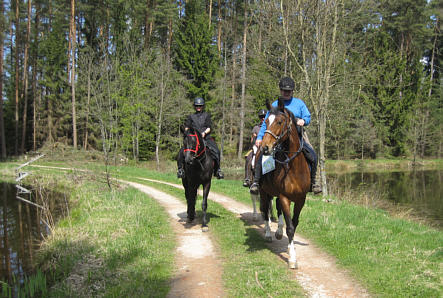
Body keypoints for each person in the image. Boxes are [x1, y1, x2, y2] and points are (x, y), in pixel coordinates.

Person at [249, 77, 321, 194]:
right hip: (277, 138)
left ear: (292, 91)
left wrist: (303, 121)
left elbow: (308, 117)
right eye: (284, 90)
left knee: (312, 155)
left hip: (297, 135)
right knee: (262, 154)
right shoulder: (274, 105)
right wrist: (260, 138)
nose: (286, 93)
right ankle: (256, 182)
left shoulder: (299, 103)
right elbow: (267, 123)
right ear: (280, 91)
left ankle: (313, 182)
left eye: (289, 91)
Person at [177, 97, 224, 179]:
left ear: (203, 106)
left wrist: (204, 133)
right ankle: (180, 169)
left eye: (200, 106)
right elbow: (187, 126)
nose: (198, 107)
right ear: (195, 106)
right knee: (181, 151)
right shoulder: (191, 116)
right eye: (197, 106)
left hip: (205, 137)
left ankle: (217, 170)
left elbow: (209, 127)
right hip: (193, 139)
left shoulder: (207, 115)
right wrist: (186, 132)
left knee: (216, 151)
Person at [243, 109, 267, 187]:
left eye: (264, 116)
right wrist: (254, 141)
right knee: (249, 158)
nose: (263, 118)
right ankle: (247, 178)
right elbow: (252, 140)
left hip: (267, 147)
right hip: (257, 147)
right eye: (261, 117)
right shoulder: (256, 128)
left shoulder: (270, 126)